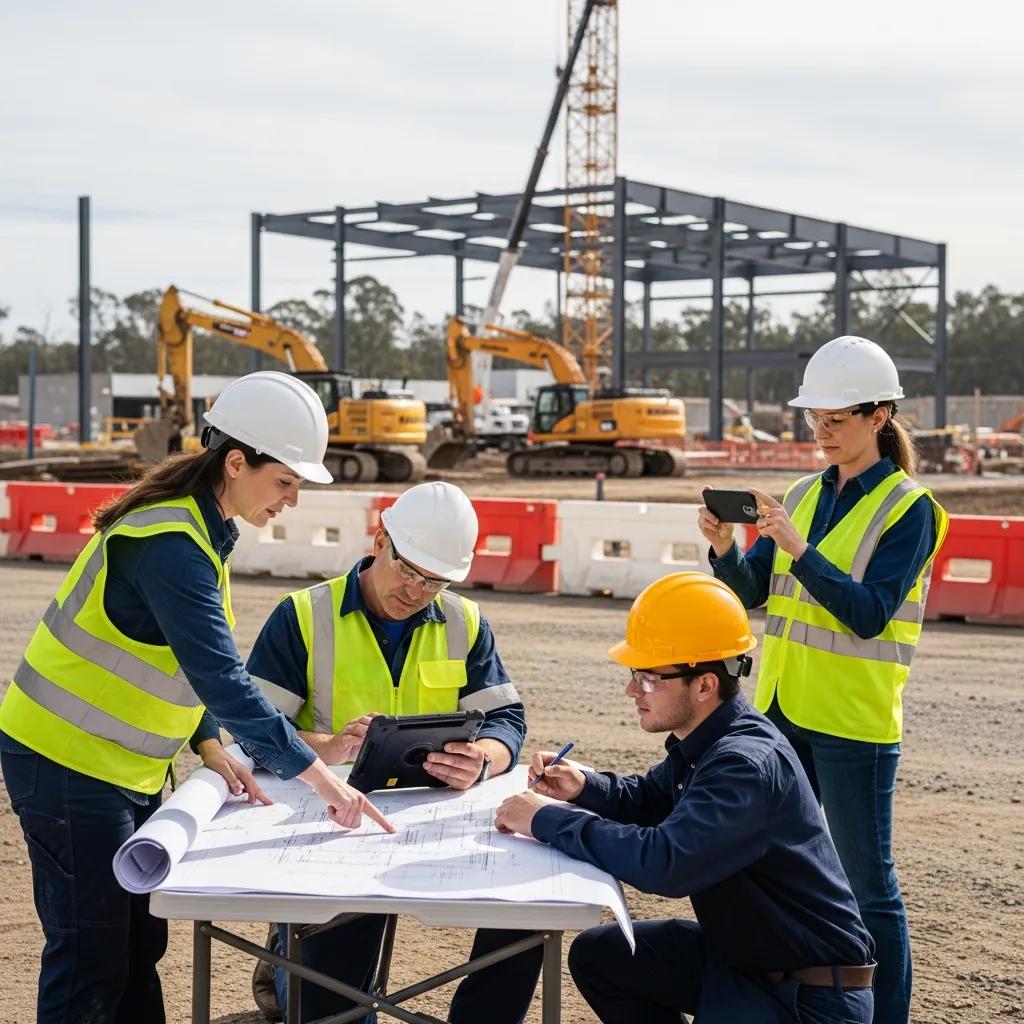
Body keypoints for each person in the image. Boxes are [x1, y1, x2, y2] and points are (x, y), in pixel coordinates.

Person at [0, 371, 393, 1024]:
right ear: (237, 463)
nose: (291, 500)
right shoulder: (171, 545)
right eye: (285, 481)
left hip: (121, 767)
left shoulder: (200, 530)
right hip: (65, 761)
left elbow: (180, 661)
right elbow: (222, 679)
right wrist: (321, 778)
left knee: (138, 944)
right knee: (92, 954)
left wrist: (208, 743)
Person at [698, 335, 949, 1024]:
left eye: (836, 419)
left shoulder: (910, 509)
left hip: (853, 721)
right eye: (815, 418)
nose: (822, 431)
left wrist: (797, 547)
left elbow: (867, 614)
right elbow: (755, 591)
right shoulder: (803, 493)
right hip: (783, 710)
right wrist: (725, 548)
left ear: (879, 416)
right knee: (786, 872)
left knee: (870, 888)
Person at [495, 572, 876, 1024]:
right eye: (635, 674)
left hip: (806, 999)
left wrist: (545, 819)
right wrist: (584, 786)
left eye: (649, 678)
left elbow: (666, 862)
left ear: (705, 685)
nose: (632, 690)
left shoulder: (742, 764)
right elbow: (650, 798)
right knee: (603, 956)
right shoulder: (708, 740)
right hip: (748, 963)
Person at [245, 481, 541, 1024]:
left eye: (435, 581)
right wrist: (328, 746)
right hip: (334, 825)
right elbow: (250, 731)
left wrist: (484, 759)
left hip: (431, 820)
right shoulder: (303, 616)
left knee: (522, 913)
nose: (416, 590)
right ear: (380, 539)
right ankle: (291, 949)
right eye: (408, 571)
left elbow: (507, 719)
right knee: (334, 1008)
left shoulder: (464, 622)